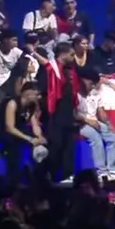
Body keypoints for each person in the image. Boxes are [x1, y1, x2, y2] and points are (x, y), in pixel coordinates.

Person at [0, 82, 45, 188]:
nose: (39, 97)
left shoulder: (31, 106)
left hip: (17, 127)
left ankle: (36, 176)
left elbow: (34, 124)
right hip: (0, 129)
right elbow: (9, 128)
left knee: (41, 144)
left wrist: (39, 137)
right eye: (36, 94)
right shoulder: (12, 103)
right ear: (28, 94)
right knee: (15, 146)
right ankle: (11, 182)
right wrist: (30, 139)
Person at [76, 65, 115, 182]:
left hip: (95, 122)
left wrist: (110, 125)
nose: (93, 87)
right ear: (84, 80)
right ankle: (102, 173)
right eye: (91, 84)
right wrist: (88, 121)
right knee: (96, 138)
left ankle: (112, 171)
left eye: (94, 84)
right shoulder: (75, 94)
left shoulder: (95, 93)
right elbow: (73, 114)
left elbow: (100, 112)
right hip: (80, 123)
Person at [44, 42, 81, 184]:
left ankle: (68, 174)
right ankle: (51, 174)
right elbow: (46, 93)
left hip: (69, 112)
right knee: (56, 145)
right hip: (55, 113)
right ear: (63, 54)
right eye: (72, 54)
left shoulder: (70, 70)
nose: (73, 57)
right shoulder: (50, 69)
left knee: (69, 144)